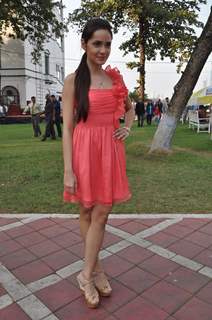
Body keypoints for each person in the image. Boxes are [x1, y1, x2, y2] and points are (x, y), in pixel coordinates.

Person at [62, 18, 135, 308]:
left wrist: (127, 127)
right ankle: (98, 269)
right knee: (87, 210)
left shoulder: (115, 78)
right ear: (84, 44)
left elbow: (129, 110)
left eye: (107, 44)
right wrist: (68, 169)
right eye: (97, 44)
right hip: (83, 150)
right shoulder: (73, 81)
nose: (103, 50)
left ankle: (85, 274)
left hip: (110, 151)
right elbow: (67, 128)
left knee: (102, 212)